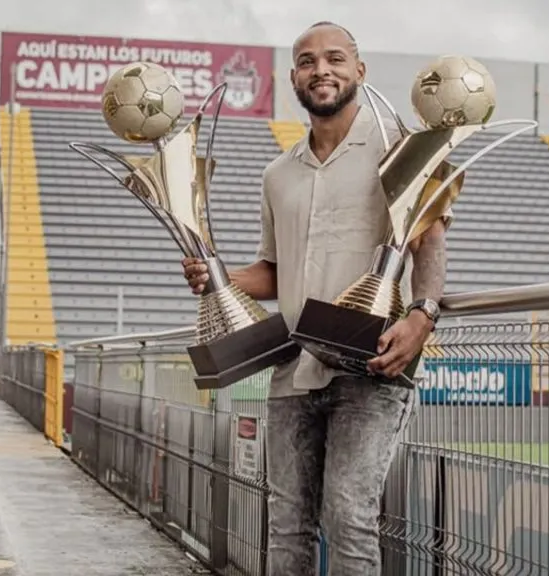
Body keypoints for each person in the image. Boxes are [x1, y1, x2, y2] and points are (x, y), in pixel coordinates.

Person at [181, 21, 451, 575]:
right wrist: (219, 276)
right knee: (285, 521)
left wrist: (423, 317)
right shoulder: (277, 173)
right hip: (294, 369)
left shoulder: (399, 148)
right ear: (293, 78)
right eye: (307, 62)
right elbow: (274, 272)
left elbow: (430, 240)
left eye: (334, 59)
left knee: (348, 516)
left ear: (359, 70)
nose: (320, 70)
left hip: (370, 364)